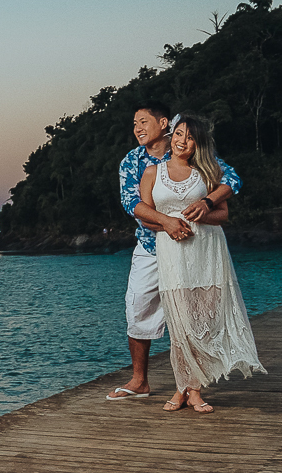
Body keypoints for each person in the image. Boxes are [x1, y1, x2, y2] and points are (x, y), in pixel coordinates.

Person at [105, 102, 241, 401]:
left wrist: (207, 202)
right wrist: (165, 222)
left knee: (193, 315)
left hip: (193, 249)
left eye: (143, 121)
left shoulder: (185, 145)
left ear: (163, 123)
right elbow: (132, 204)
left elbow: (231, 179)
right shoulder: (132, 160)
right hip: (151, 246)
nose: (137, 128)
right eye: (134, 123)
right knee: (138, 307)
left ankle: (192, 386)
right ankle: (140, 381)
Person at [139, 113, 265, 413]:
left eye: (190, 137)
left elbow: (223, 215)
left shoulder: (206, 174)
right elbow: (142, 211)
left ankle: (192, 390)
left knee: (205, 323)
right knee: (180, 323)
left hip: (207, 252)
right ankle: (184, 384)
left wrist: (201, 212)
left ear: (198, 144)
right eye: (179, 134)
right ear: (172, 137)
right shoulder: (153, 173)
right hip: (173, 254)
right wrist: (169, 222)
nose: (183, 141)